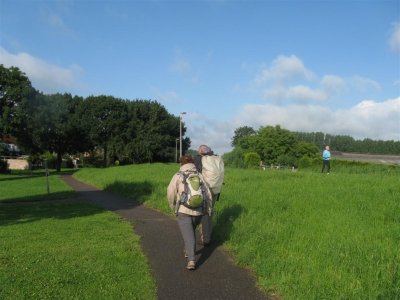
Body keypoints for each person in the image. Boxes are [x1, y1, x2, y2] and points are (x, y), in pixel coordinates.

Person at [167, 155, 212, 270]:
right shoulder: (199, 175)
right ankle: (188, 250)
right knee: (190, 232)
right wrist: (208, 209)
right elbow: (207, 193)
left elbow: (170, 191)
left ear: (181, 164)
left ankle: (191, 260)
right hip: (199, 211)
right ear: (193, 163)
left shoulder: (178, 175)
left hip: (183, 211)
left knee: (189, 235)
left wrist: (172, 205)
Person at [194, 145, 224, 247]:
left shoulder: (200, 159)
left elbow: (195, 174)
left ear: (201, 152)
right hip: (216, 190)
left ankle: (205, 239)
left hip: (206, 190)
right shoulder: (217, 158)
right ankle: (208, 235)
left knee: (204, 213)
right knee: (210, 211)